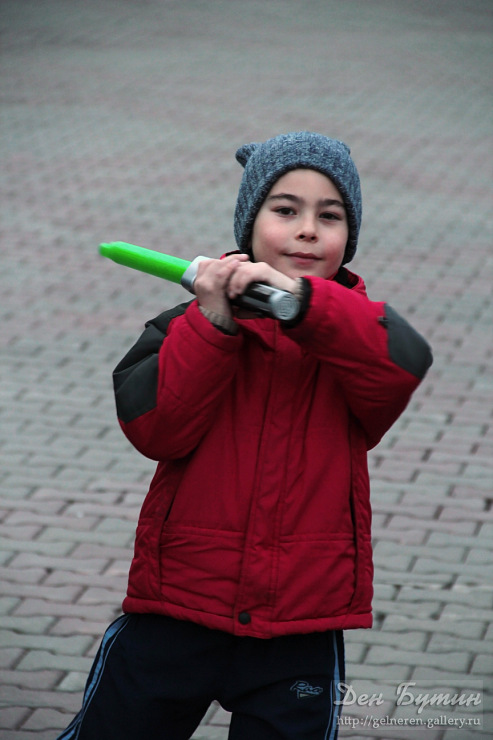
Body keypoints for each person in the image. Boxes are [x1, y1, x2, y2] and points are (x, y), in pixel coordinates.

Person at [57, 132, 432, 740]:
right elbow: (157, 428)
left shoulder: (359, 332)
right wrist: (212, 323)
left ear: (349, 236)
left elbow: (406, 360)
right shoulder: (184, 326)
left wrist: (303, 304)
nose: (308, 230)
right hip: (177, 606)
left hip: (301, 626)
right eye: (285, 210)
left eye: (329, 216)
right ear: (249, 226)